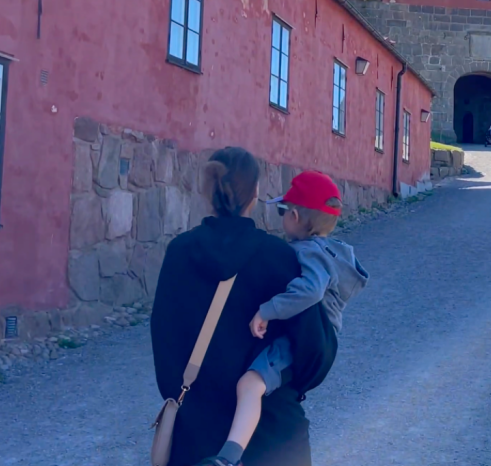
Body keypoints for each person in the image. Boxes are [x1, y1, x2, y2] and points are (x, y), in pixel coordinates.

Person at [151, 147, 336, 466]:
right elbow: (315, 353)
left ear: (208, 192)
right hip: (276, 438)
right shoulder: (282, 259)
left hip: (196, 439)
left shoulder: (178, 254)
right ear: (255, 194)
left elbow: (164, 348)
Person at [205, 171, 368, 466]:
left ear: (293, 215)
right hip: (315, 338)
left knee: (250, 385)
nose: (281, 218)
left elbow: (310, 291)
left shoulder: (310, 253)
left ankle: (227, 458)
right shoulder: (331, 251)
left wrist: (266, 310)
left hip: (301, 342)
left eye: (282, 211)